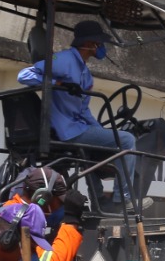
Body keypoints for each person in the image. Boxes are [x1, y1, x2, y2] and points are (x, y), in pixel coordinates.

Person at [17, 19, 139, 207]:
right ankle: (123, 199)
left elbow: (83, 110)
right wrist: (57, 84)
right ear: (90, 43)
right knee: (127, 140)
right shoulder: (64, 60)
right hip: (66, 129)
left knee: (104, 142)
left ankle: (98, 199)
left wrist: (103, 132)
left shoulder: (84, 72)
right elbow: (24, 75)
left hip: (77, 127)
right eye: (100, 43)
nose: (102, 47)